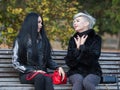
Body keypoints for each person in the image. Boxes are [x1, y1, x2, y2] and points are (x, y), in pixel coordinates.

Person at [12, 12, 65, 90]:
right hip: (27, 74)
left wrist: (58, 67)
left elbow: (48, 60)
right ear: (31, 23)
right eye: (38, 22)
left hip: (43, 73)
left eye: (41, 22)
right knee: (40, 76)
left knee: (47, 78)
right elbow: (15, 63)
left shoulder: (43, 40)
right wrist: (34, 71)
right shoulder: (20, 40)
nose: (41, 25)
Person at [65, 12, 102, 90]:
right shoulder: (73, 40)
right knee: (79, 81)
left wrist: (82, 47)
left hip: (93, 72)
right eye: (74, 21)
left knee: (87, 82)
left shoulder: (96, 39)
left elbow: (92, 60)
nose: (74, 23)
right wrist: (77, 49)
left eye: (77, 21)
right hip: (75, 72)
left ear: (86, 23)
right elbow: (70, 62)